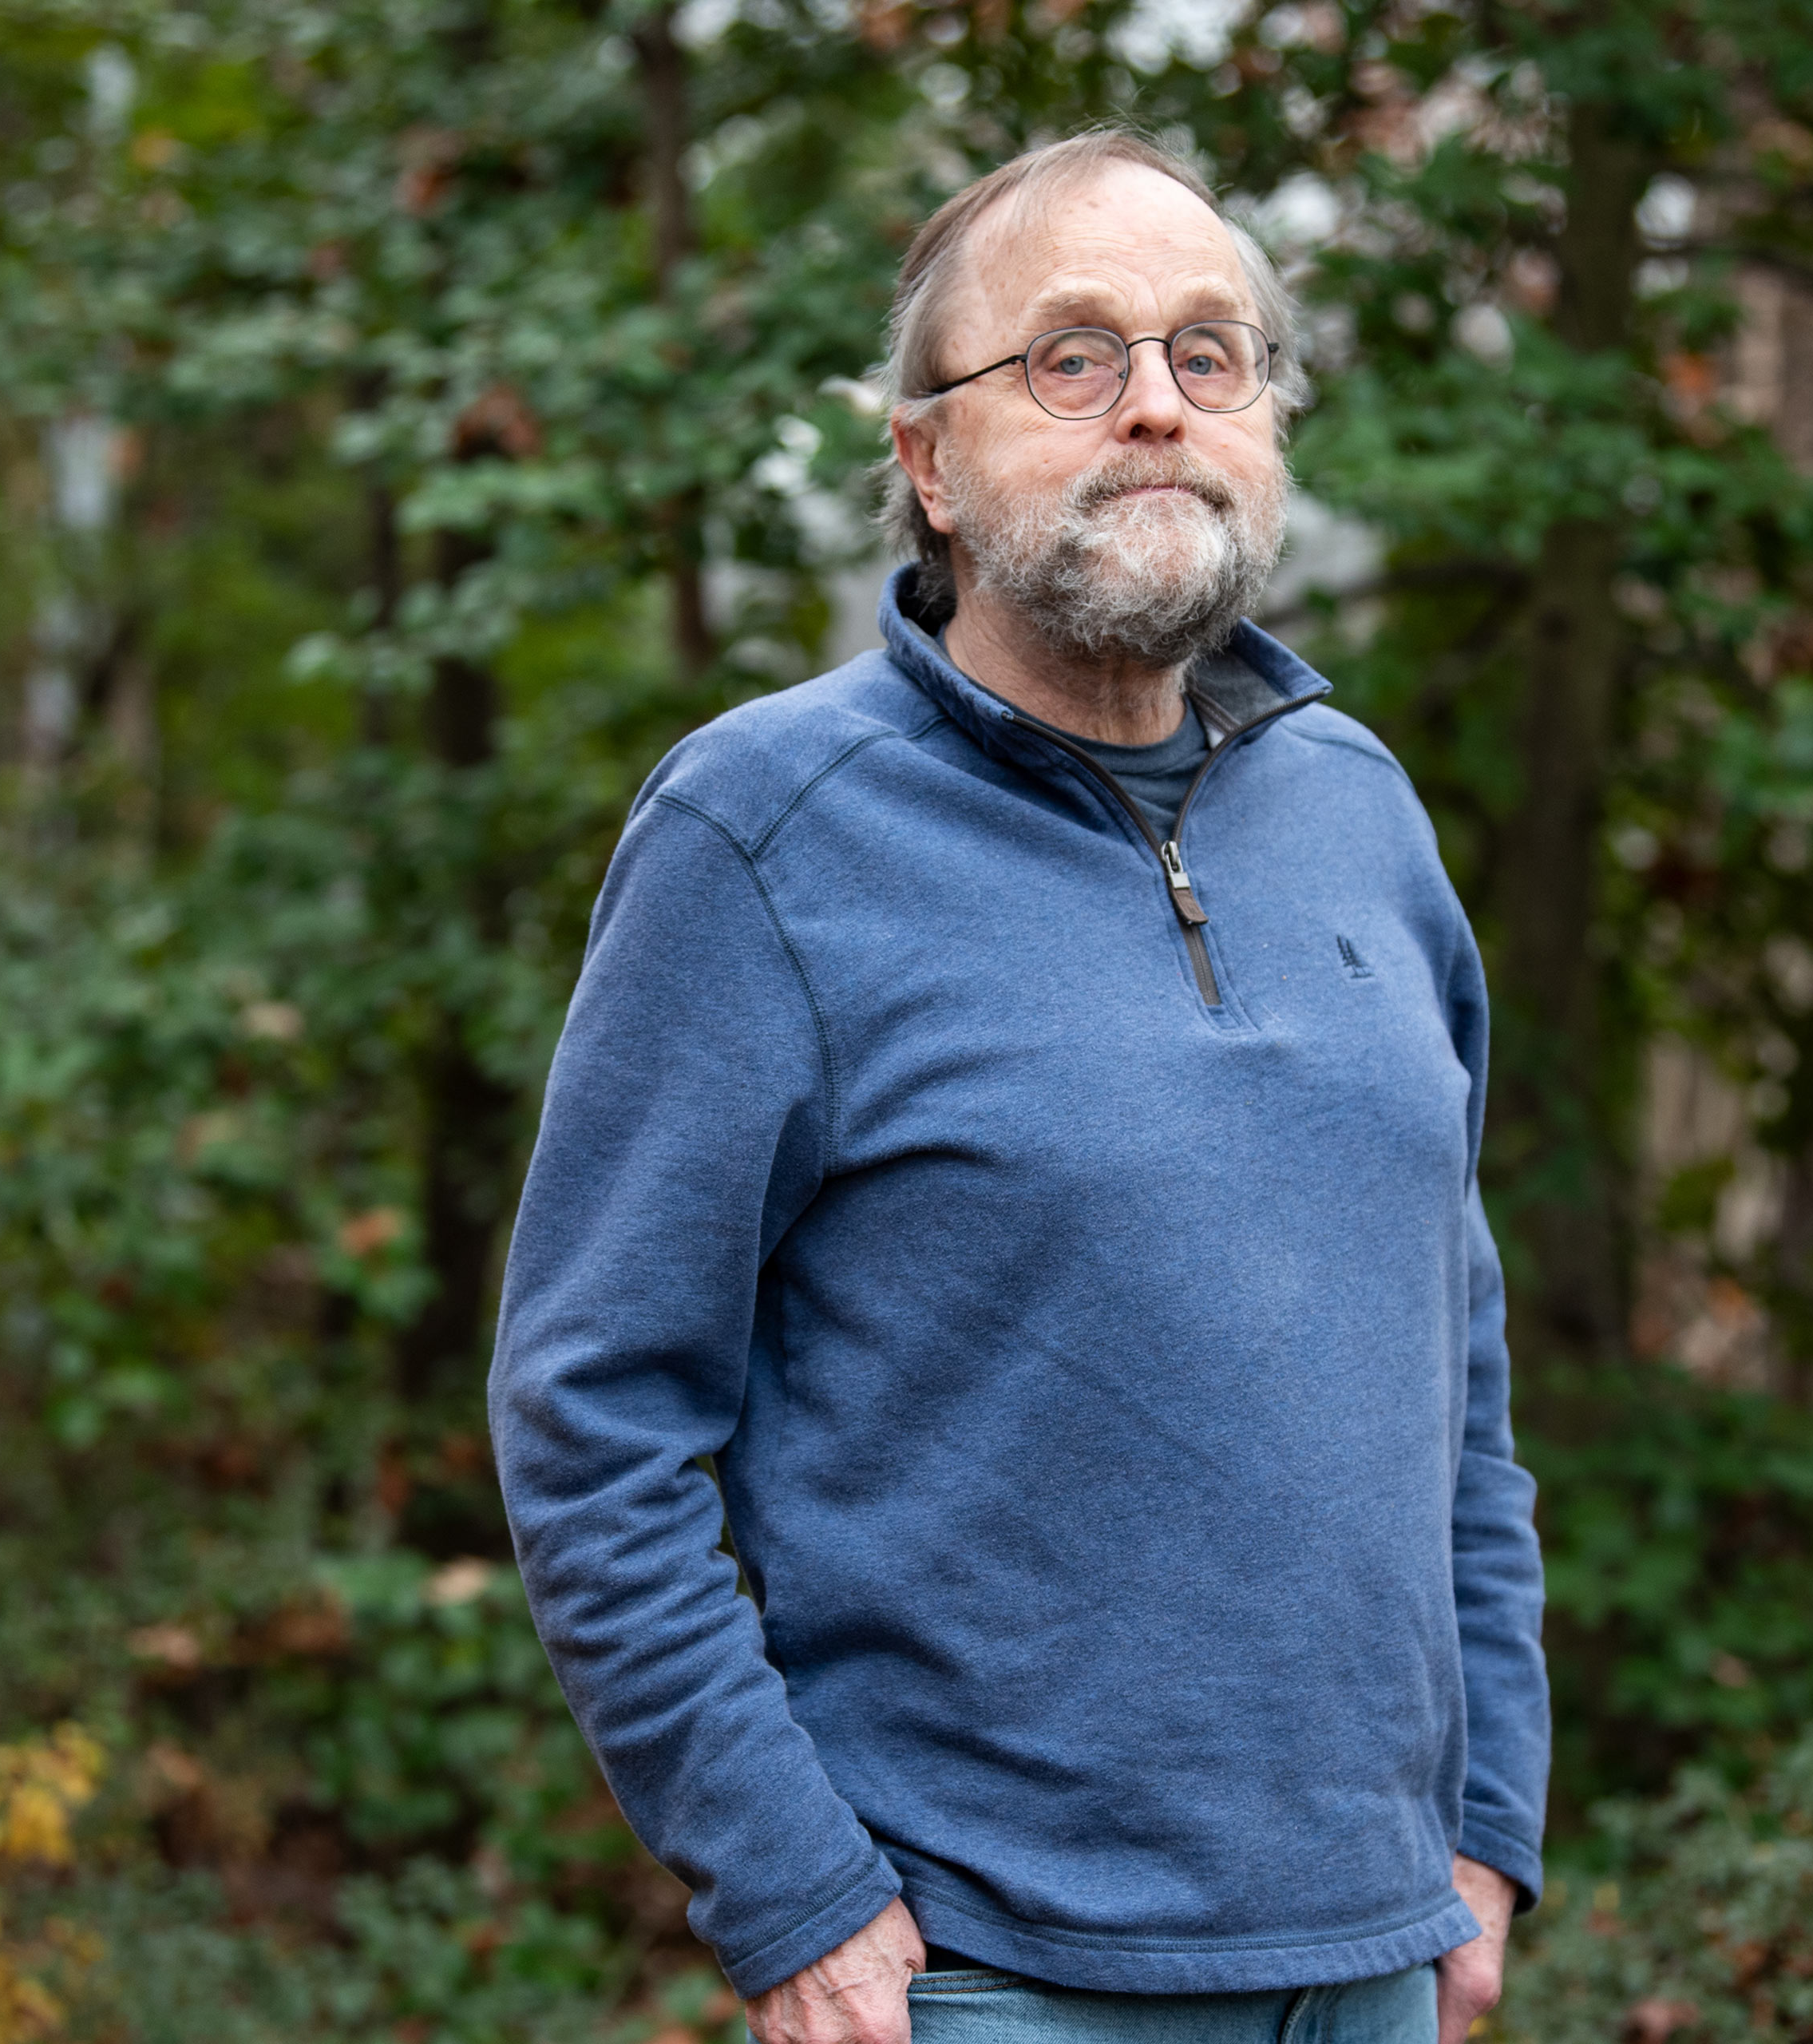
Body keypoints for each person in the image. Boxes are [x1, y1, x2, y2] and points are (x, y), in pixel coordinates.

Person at [487, 129, 1547, 2044]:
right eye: (1073, 357)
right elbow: (592, 1412)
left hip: (1375, 1961)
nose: (1156, 403)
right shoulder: (763, 833)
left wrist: (1486, 1820)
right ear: (928, 462)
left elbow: (1451, 1363)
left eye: (1210, 355)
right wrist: (793, 1890)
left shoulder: (1364, 811)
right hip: (981, 1979)